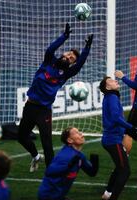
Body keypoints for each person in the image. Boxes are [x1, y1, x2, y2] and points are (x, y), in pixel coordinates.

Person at [18, 23, 94, 172]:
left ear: (72, 62)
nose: (68, 57)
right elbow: (50, 49)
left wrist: (87, 49)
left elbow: (80, 64)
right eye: (68, 54)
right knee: (21, 137)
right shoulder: (48, 61)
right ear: (63, 53)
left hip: (44, 111)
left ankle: (51, 174)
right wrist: (64, 37)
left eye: (72, 58)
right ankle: (35, 156)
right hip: (30, 106)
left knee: (47, 144)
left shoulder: (65, 74)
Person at [99, 76, 137, 200]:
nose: (116, 81)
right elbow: (116, 118)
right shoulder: (112, 98)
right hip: (113, 140)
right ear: (107, 87)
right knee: (125, 171)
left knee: (119, 167)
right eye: (111, 81)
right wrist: (131, 128)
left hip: (112, 139)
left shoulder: (111, 97)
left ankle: (108, 193)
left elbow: (116, 119)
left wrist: (128, 131)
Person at [38, 126, 98, 200]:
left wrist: (95, 162)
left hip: (58, 196)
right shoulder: (65, 156)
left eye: (79, 131)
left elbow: (91, 172)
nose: (81, 133)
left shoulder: (79, 156)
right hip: (48, 197)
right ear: (69, 140)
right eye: (76, 133)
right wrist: (68, 166)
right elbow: (49, 171)